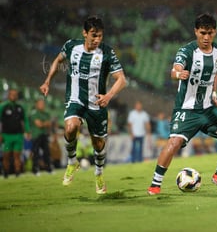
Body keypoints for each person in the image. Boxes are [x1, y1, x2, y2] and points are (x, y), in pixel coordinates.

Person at [147, 13, 217, 195]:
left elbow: (215, 73)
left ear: (215, 32)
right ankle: (155, 185)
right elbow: (175, 69)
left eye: (210, 33)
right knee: (173, 144)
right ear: (196, 31)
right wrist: (178, 74)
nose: (206, 37)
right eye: (203, 33)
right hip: (187, 109)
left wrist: (213, 92)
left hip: (207, 108)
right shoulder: (186, 51)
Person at [40, 16, 127, 194]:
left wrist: (108, 96)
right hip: (76, 99)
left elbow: (122, 79)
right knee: (70, 127)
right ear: (84, 33)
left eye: (100, 36)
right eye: (93, 35)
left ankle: (99, 173)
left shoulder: (107, 52)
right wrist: (47, 81)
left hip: (97, 104)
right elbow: (57, 60)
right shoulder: (72, 46)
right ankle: (72, 162)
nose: (97, 40)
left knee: (98, 144)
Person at [0, 89, 30, 178]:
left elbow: (25, 120)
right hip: (6, 135)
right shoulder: (3, 106)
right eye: (12, 94)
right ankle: (5, 172)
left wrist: (27, 131)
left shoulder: (20, 107)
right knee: (6, 155)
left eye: (15, 95)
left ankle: (17, 173)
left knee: (17, 155)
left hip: (18, 135)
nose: (14, 96)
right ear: (9, 95)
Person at [30, 98, 53, 175]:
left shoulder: (46, 114)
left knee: (47, 152)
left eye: (43, 104)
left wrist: (43, 123)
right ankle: (35, 170)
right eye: (40, 104)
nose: (42, 105)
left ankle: (49, 169)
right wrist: (45, 123)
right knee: (36, 153)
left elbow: (49, 124)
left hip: (44, 135)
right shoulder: (34, 113)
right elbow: (38, 125)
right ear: (36, 105)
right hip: (36, 135)